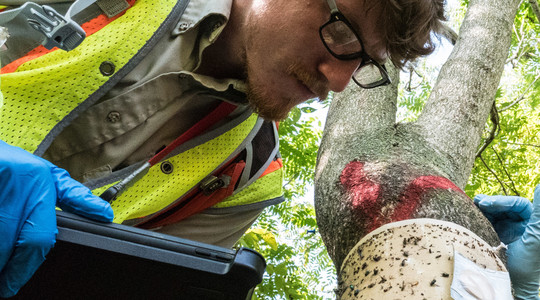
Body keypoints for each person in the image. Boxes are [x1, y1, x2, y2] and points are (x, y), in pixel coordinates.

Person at [0, 0, 537, 298]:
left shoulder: (244, 176)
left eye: (365, 63)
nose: (339, 80)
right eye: (342, 35)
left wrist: (477, 288)